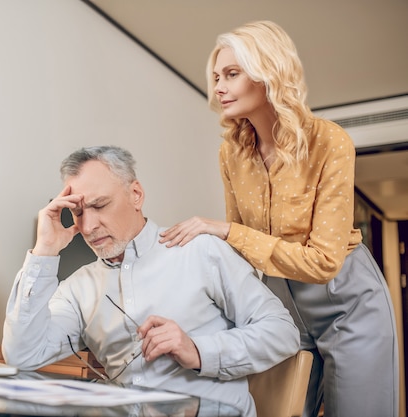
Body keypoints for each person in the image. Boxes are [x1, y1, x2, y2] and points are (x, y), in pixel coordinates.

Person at [159, 21, 399, 417]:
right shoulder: (231, 154)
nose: (218, 87)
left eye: (232, 74)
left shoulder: (330, 141)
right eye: (217, 76)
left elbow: (323, 261)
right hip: (279, 304)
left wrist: (226, 230)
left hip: (347, 301)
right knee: (273, 410)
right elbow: (239, 254)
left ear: (268, 72)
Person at [2, 145, 299, 416]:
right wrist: (44, 251)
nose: (89, 226)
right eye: (78, 212)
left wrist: (198, 350)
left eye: (100, 205)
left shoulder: (200, 251)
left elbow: (283, 332)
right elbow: (22, 354)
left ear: (136, 195)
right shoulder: (78, 288)